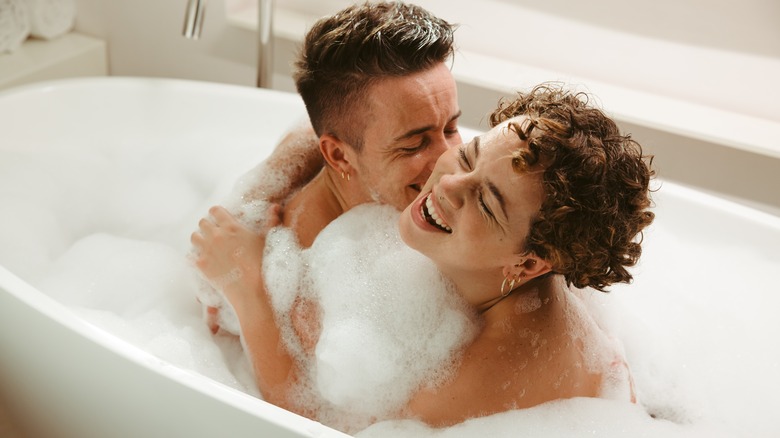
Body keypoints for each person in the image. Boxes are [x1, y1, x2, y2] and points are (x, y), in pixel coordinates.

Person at [191, 83, 655, 428]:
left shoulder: (500, 366)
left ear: (530, 264)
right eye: (470, 155)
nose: (448, 184)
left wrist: (247, 286)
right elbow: (327, 130)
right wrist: (264, 188)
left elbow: (313, 421)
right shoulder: (485, 256)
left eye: (487, 202)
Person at [197, 1, 462, 333]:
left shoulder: (308, 154)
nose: (449, 160)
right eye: (414, 144)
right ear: (338, 156)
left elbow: (308, 134)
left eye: (451, 128)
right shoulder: (304, 280)